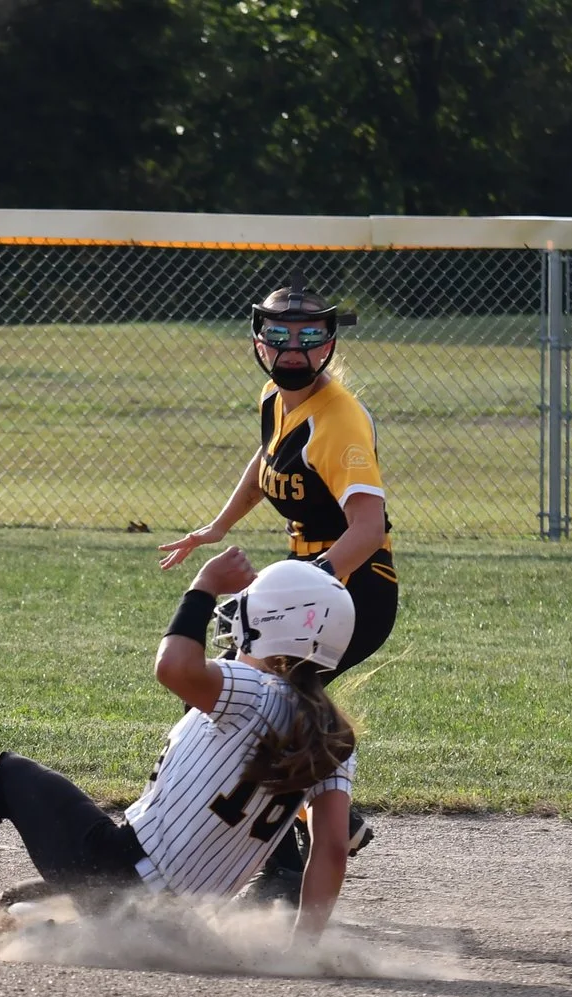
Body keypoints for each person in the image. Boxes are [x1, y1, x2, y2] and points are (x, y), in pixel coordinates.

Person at [0, 553, 360, 944]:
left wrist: (200, 588)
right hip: (182, 921)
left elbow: (173, 666)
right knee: (20, 902)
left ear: (276, 626)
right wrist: (305, 949)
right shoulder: (335, 733)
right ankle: (62, 928)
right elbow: (331, 851)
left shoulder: (251, 691)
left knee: (4, 774)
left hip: (123, 873)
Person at [155, 286, 395, 897]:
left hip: (353, 590)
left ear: (330, 341)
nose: (294, 349)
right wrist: (220, 525)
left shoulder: (338, 420)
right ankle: (322, 826)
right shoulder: (277, 398)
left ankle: (290, 861)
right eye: (281, 335)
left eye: (309, 335)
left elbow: (367, 530)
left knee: (245, 709)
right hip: (307, 583)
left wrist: (309, 585)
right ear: (257, 339)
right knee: (235, 706)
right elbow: (267, 463)